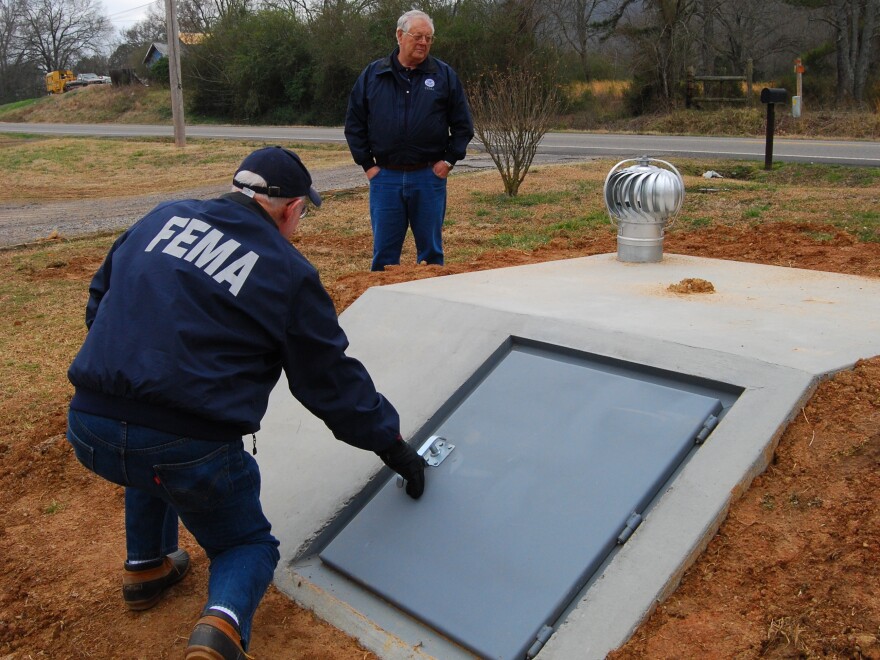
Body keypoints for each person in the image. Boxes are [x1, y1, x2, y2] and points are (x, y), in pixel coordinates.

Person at [65, 146, 427, 659]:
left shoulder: (161, 218)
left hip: (89, 425)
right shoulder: (287, 271)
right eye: (302, 214)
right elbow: (330, 381)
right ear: (290, 208)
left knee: (150, 460)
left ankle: (147, 568)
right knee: (245, 544)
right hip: (188, 448)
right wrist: (391, 444)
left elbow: (99, 301)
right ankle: (222, 630)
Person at [344, 9, 474, 271]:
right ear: (399, 35)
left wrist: (447, 161)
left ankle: (431, 307)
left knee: (431, 257)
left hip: (428, 178)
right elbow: (354, 125)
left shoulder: (443, 76)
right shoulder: (373, 75)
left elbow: (463, 125)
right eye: (418, 36)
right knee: (384, 257)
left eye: (429, 38)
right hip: (385, 179)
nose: (423, 43)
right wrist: (368, 165)